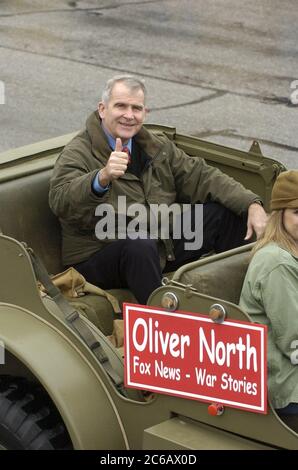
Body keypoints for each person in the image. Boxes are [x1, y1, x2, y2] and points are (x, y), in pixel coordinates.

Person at [49, 74, 267, 305]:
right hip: (98, 254)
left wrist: (251, 203)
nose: (129, 115)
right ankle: (163, 328)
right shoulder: (79, 152)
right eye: (120, 106)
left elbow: (201, 176)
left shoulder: (155, 146)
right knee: (139, 245)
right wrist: (101, 178)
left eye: (136, 108)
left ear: (145, 113)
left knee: (225, 215)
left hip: (157, 242)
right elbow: (60, 201)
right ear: (102, 109)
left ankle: (249, 304)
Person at [240, 170, 298, 432]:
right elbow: (293, 339)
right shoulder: (276, 262)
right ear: (280, 215)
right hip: (285, 384)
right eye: (297, 212)